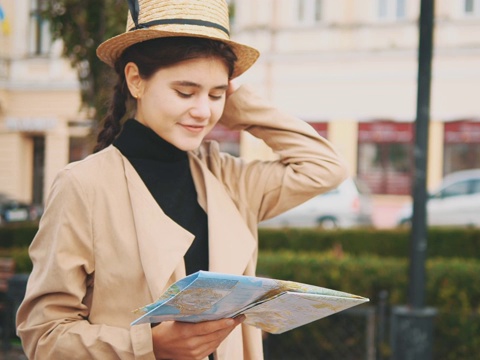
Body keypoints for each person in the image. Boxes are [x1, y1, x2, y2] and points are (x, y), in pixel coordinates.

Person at [16, 0, 348, 359]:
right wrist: (149, 346)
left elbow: (325, 166)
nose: (203, 111)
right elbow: (44, 334)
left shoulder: (226, 178)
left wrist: (240, 107)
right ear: (135, 80)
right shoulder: (84, 186)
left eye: (217, 94)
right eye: (185, 92)